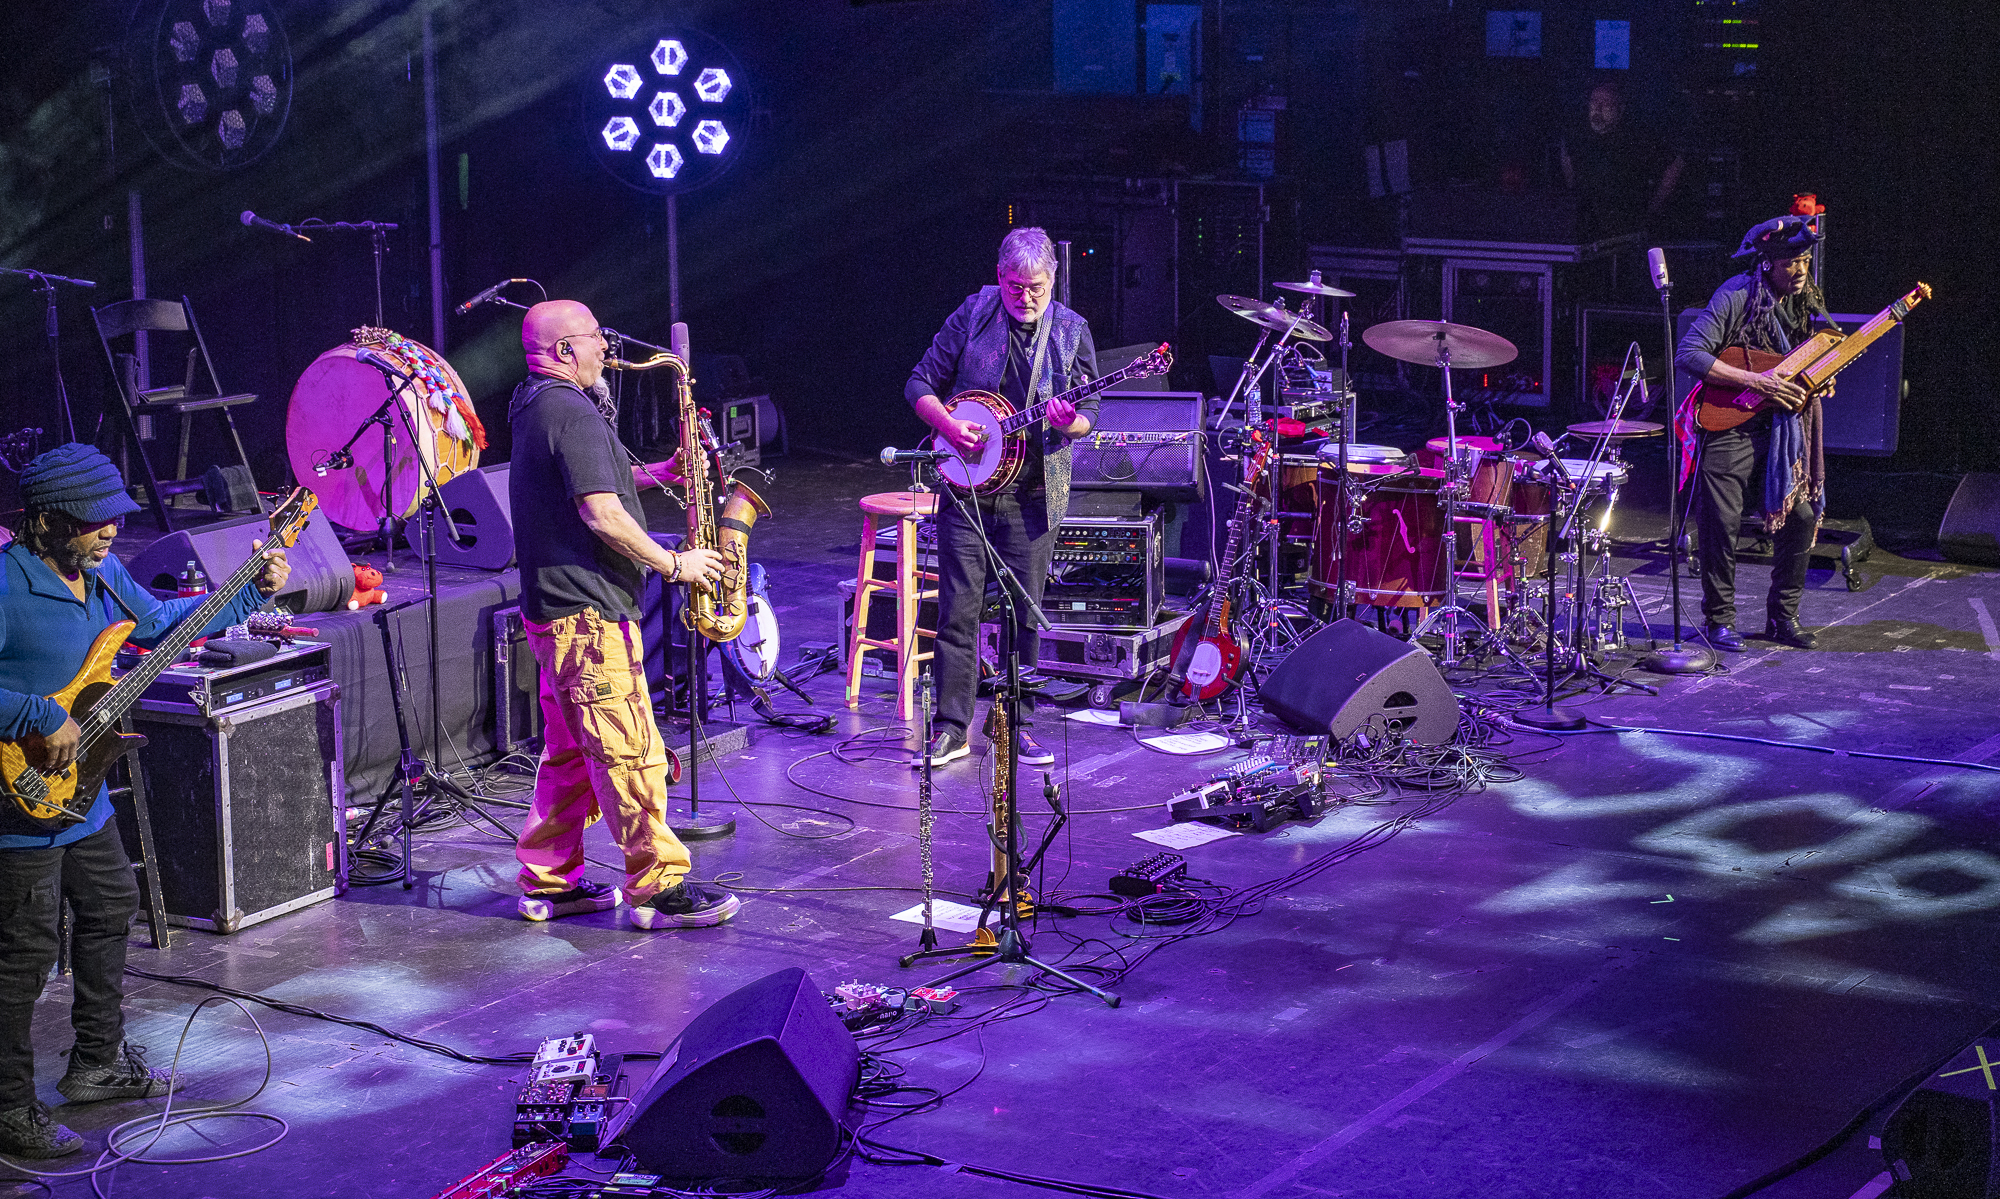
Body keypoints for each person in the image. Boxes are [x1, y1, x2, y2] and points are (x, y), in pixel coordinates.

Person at [0, 443, 289, 1158]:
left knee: (108, 907)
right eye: (92, 521)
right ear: (45, 522)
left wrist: (251, 590)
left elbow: (161, 623)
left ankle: (97, 1061)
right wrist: (36, 715)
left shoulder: (102, 573)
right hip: (17, 799)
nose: (108, 532)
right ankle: (8, 1106)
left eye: (112, 519)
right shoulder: (5, 586)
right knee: (25, 955)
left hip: (82, 795)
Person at [506, 300, 740, 930]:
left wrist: (659, 472)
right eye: (593, 340)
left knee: (571, 755)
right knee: (630, 750)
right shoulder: (572, 410)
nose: (606, 352)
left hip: (551, 614)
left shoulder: (533, 404)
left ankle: (550, 880)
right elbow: (601, 513)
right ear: (562, 351)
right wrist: (675, 565)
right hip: (586, 618)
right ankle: (658, 886)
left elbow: (584, 481)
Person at [907, 227, 1097, 767]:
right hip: (965, 489)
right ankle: (950, 726)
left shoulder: (1070, 331)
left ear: (1053, 280)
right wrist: (946, 424)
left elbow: (1091, 416)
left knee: (1023, 615)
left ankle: (1017, 723)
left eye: (1037, 287)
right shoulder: (973, 314)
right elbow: (919, 383)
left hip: (1032, 494)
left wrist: (1071, 422)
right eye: (1015, 287)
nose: (1026, 298)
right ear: (999, 277)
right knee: (958, 612)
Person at [1673, 215, 1830, 652]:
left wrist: (1821, 379)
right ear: (1766, 264)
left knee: (1800, 517)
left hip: (1780, 430)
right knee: (1720, 523)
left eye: (1805, 260)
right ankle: (1719, 620)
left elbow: (1807, 359)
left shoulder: (1805, 299)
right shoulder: (1736, 294)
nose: (1800, 270)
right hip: (1730, 425)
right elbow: (1690, 353)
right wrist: (1753, 381)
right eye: (1791, 263)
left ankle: (1783, 617)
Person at [1559, 81, 1685, 240]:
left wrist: (1653, 206)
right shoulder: (1579, 138)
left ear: (1620, 109)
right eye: (1594, 102)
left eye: (1606, 104)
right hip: (1586, 225)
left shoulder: (1636, 140)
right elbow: (1566, 155)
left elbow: (1675, 163)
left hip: (1626, 227)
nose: (1597, 109)